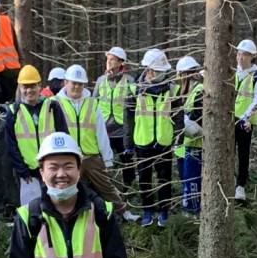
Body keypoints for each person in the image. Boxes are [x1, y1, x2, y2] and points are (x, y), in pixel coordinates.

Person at [38, 64, 123, 213]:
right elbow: (47, 131)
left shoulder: (92, 103)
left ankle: (122, 212)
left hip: (91, 156)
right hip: (68, 157)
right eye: (73, 83)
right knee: (69, 189)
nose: (76, 87)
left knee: (107, 187)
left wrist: (107, 158)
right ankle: (68, 215)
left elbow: (101, 133)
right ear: (66, 82)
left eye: (80, 84)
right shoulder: (54, 103)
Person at [126, 48, 180, 227]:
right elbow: (129, 119)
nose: (160, 75)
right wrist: (128, 144)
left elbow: (178, 116)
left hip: (164, 142)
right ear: (147, 70)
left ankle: (164, 211)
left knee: (165, 179)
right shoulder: (135, 90)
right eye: (157, 71)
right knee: (144, 179)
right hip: (142, 142)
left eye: (162, 71)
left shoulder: (173, 89)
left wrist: (178, 137)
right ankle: (148, 210)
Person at [95, 47, 140, 221]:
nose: (109, 62)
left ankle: (126, 193)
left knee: (127, 165)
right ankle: (107, 197)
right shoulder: (101, 80)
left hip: (123, 131)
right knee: (103, 167)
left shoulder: (130, 80)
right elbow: (93, 103)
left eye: (113, 59)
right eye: (108, 59)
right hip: (105, 131)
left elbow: (135, 105)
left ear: (122, 62)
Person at [4, 65, 46, 207]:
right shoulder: (13, 112)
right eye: (25, 87)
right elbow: (11, 145)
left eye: (32, 86)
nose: (29, 90)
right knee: (31, 213)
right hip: (28, 173)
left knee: (54, 212)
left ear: (39, 86)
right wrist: (22, 170)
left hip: (51, 169)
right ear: (19, 88)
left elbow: (62, 134)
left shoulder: (52, 107)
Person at [234, 39, 257, 201]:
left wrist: (246, 118)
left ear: (252, 56)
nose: (240, 58)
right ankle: (229, 180)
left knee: (243, 154)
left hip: (245, 121)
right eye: (239, 54)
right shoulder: (231, 71)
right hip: (228, 119)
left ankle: (241, 185)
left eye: (244, 55)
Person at [175, 55, 204, 215]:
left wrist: (187, 121)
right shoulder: (184, 91)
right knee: (184, 178)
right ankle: (188, 206)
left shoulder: (199, 89)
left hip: (195, 143)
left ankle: (193, 209)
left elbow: (199, 117)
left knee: (192, 179)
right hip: (183, 143)